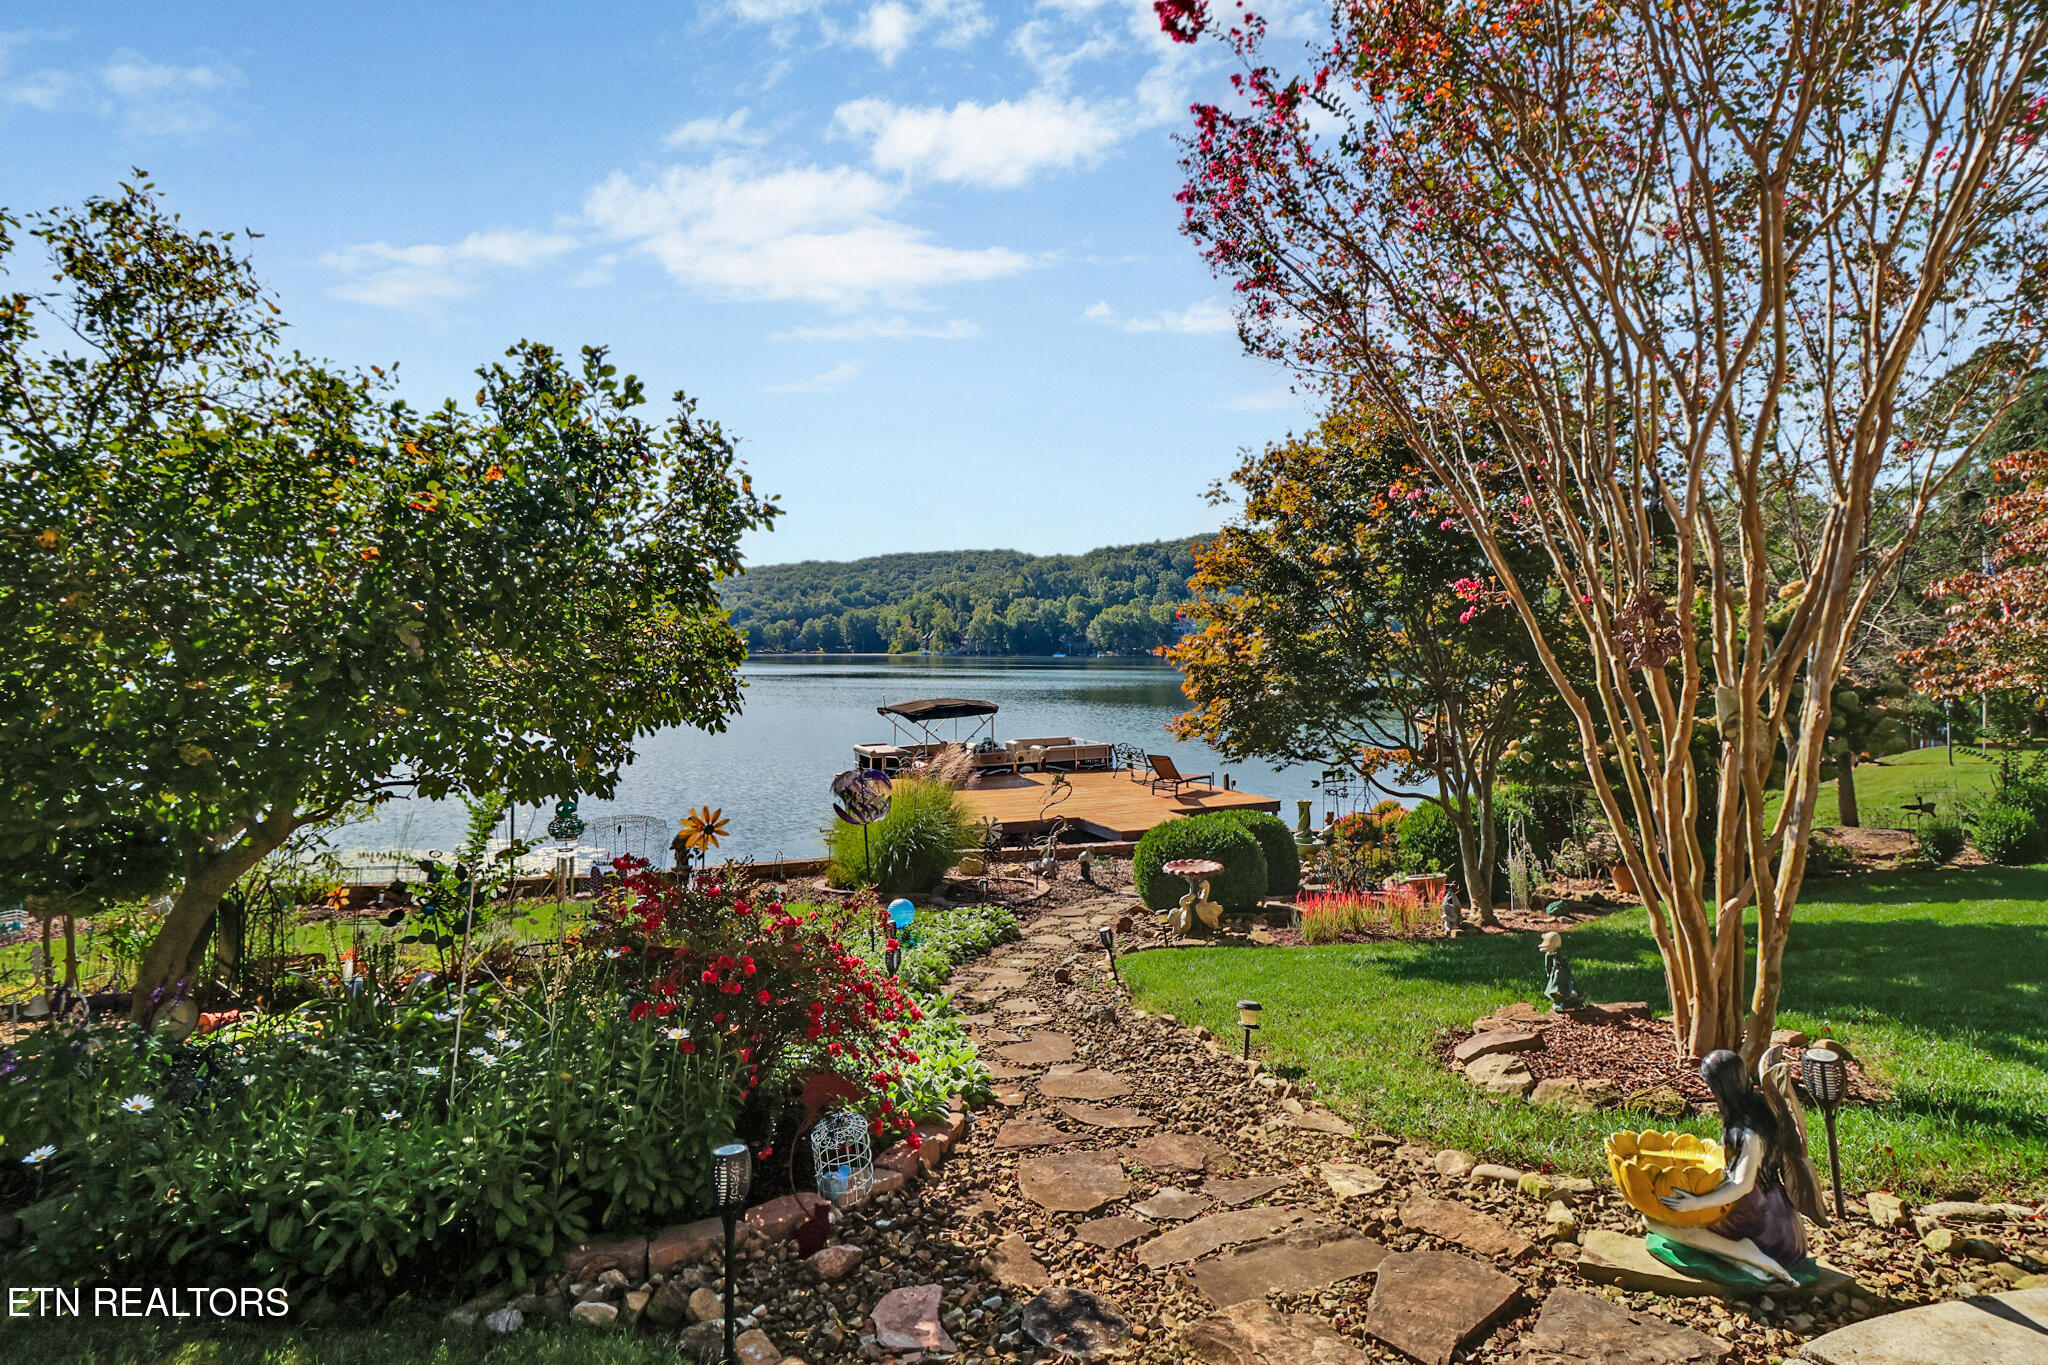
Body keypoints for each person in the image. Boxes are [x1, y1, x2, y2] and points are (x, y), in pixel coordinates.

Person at [1650, 1048, 1829, 1285]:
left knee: (1656, 1222)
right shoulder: (1761, 1106)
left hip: (1761, 1228)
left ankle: (1743, 1253)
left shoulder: (1747, 1132)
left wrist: (1696, 1204)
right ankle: (1741, 1258)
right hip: (1774, 1211)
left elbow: (1742, 1185)